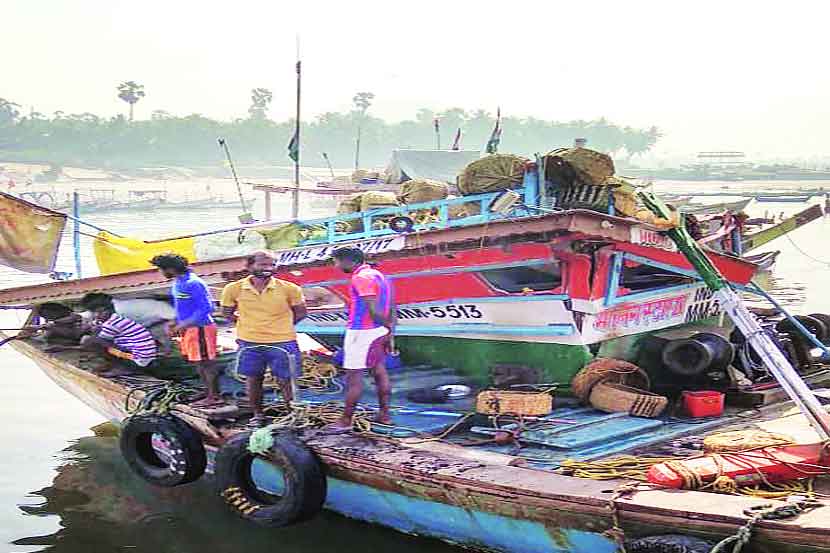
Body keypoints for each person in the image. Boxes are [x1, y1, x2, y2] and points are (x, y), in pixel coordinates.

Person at [220, 251, 307, 426]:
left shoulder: (290, 289)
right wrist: (248, 326)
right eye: (263, 264)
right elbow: (227, 313)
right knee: (253, 379)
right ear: (249, 266)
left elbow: (301, 313)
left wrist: (281, 328)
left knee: (287, 381)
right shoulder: (233, 289)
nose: (268, 268)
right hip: (249, 342)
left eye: (272, 265)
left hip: (283, 342)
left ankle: (293, 417)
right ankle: (258, 415)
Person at [325, 247, 395, 433]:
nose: (336, 265)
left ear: (347, 261)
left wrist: (380, 326)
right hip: (378, 331)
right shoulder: (380, 275)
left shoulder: (361, 278)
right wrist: (388, 331)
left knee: (353, 378)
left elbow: (372, 310)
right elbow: (392, 307)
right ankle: (385, 415)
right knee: (379, 371)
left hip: (361, 332)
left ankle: (345, 420)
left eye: (336, 261)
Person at [151, 253, 220, 407]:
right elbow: (183, 307)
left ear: (170, 269)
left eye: (160, 269)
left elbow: (207, 308)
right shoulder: (178, 282)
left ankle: (214, 396)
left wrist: (183, 324)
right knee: (197, 361)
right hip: (190, 329)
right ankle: (207, 391)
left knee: (206, 363)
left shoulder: (193, 283)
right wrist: (174, 321)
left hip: (201, 328)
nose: (160, 273)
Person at [78, 295, 158, 376]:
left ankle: (123, 367)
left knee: (92, 341)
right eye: (94, 313)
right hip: (145, 357)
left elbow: (101, 339)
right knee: (99, 339)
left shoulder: (111, 324)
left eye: (99, 312)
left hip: (139, 360)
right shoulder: (116, 318)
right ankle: (117, 363)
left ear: (108, 310)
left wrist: (91, 331)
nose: (96, 316)